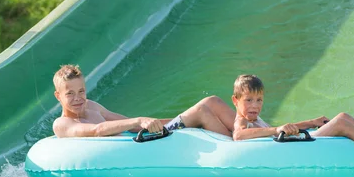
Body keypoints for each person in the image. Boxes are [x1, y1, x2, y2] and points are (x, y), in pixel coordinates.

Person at [231, 74, 354, 174]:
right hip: (288, 156)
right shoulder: (241, 120)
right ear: (236, 100)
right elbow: (238, 136)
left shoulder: (254, 119)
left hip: (290, 149)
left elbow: (279, 130)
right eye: (248, 100)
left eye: (259, 100)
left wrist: (311, 122)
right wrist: (276, 129)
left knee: (344, 118)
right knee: (342, 121)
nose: (254, 106)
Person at [52, 64, 236, 138]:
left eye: (81, 91)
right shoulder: (62, 124)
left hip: (145, 139)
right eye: (69, 93)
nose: (78, 98)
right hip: (139, 150)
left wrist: (179, 120)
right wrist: (139, 120)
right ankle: (236, 149)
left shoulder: (91, 106)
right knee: (202, 111)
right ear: (58, 96)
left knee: (212, 102)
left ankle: (248, 130)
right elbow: (96, 130)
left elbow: (131, 126)